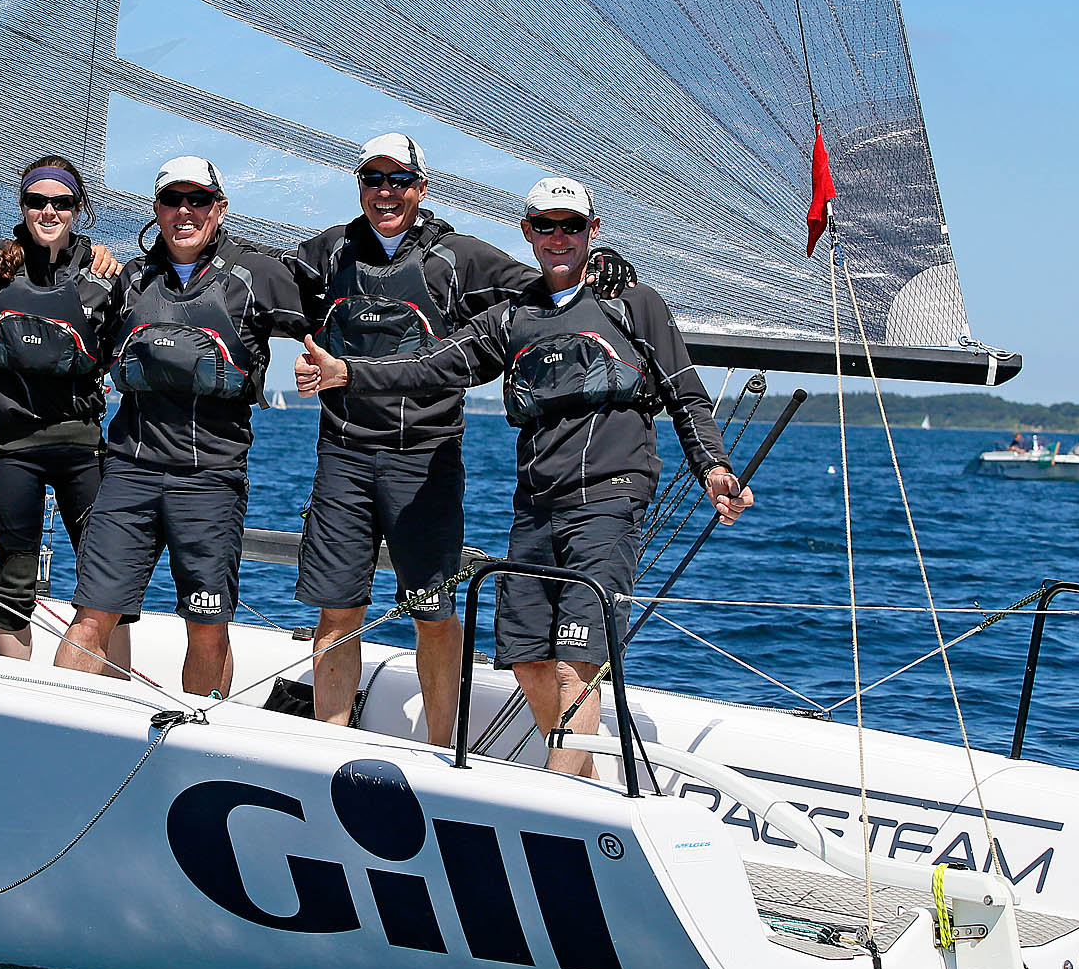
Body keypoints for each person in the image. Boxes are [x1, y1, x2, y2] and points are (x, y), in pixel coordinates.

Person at [296, 176, 752, 775]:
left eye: (573, 226)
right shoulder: (513, 318)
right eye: (546, 225)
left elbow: (684, 393)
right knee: (526, 656)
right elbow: (433, 366)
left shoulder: (633, 304)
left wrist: (713, 467)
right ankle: (578, 769)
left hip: (611, 494)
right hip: (537, 503)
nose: (559, 237)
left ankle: (561, 794)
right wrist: (349, 374)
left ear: (594, 231)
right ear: (527, 232)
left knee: (574, 660)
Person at [273, 134, 547, 746]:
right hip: (343, 453)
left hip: (425, 460)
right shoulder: (327, 253)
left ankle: (441, 745)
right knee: (338, 609)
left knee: (433, 610)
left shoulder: (459, 258)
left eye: (398, 181)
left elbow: (545, 292)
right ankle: (331, 744)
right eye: (373, 180)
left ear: (420, 189)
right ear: (361, 188)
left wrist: (609, 277)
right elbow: (248, 276)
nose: (385, 193)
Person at [55, 156, 309, 697]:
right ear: (157, 210)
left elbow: (333, 313)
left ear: (219, 209)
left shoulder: (255, 277)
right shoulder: (128, 278)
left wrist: (330, 366)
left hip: (209, 479)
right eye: (173, 200)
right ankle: (56, 734)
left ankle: (202, 738)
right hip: (129, 473)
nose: (184, 211)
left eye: (198, 199)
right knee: (91, 615)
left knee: (207, 625)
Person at [0, 157, 129, 661]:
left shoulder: (104, 273)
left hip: (82, 445)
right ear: (23, 205)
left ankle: (114, 698)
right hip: (15, 448)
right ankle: (16, 699)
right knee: (15, 585)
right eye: (37, 201)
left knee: (107, 580)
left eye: (61, 202)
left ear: (79, 208)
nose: (48, 211)